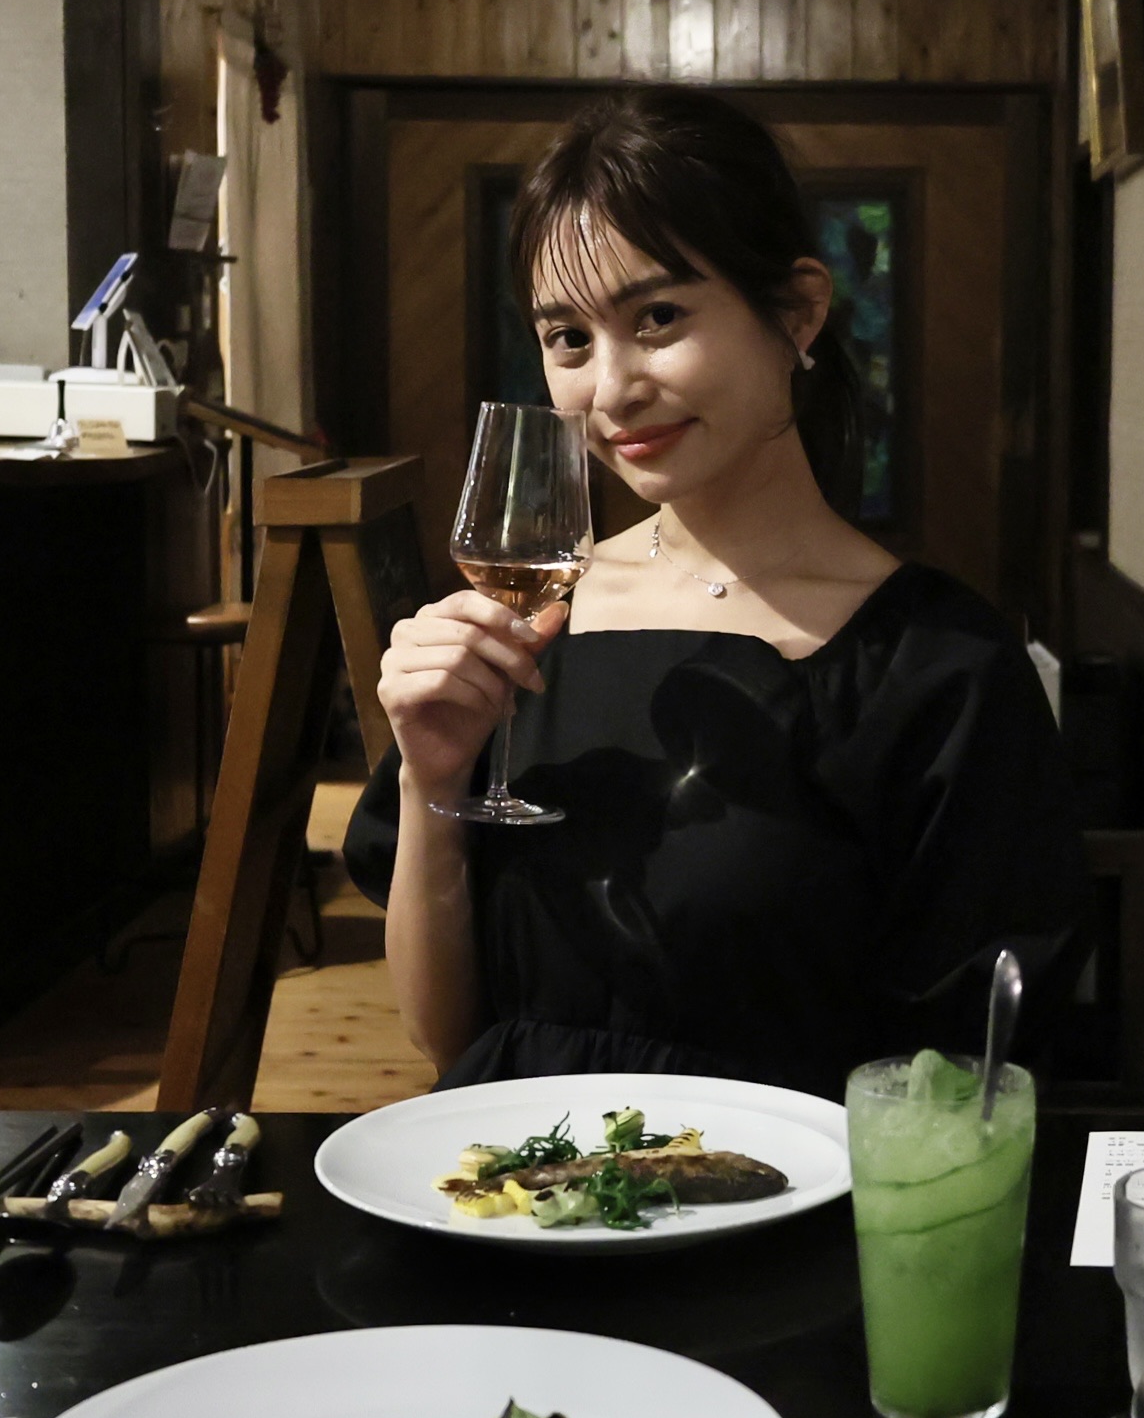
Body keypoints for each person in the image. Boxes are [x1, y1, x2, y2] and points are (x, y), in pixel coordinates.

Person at [345, 86, 1087, 1100]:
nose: (612, 390)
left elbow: (962, 1082)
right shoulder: (531, 626)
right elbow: (452, 1043)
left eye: (657, 318)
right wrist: (430, 785)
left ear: (798, 312)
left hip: (789, 1191)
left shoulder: (938, 668)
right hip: (517, 1179)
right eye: (568, 339)